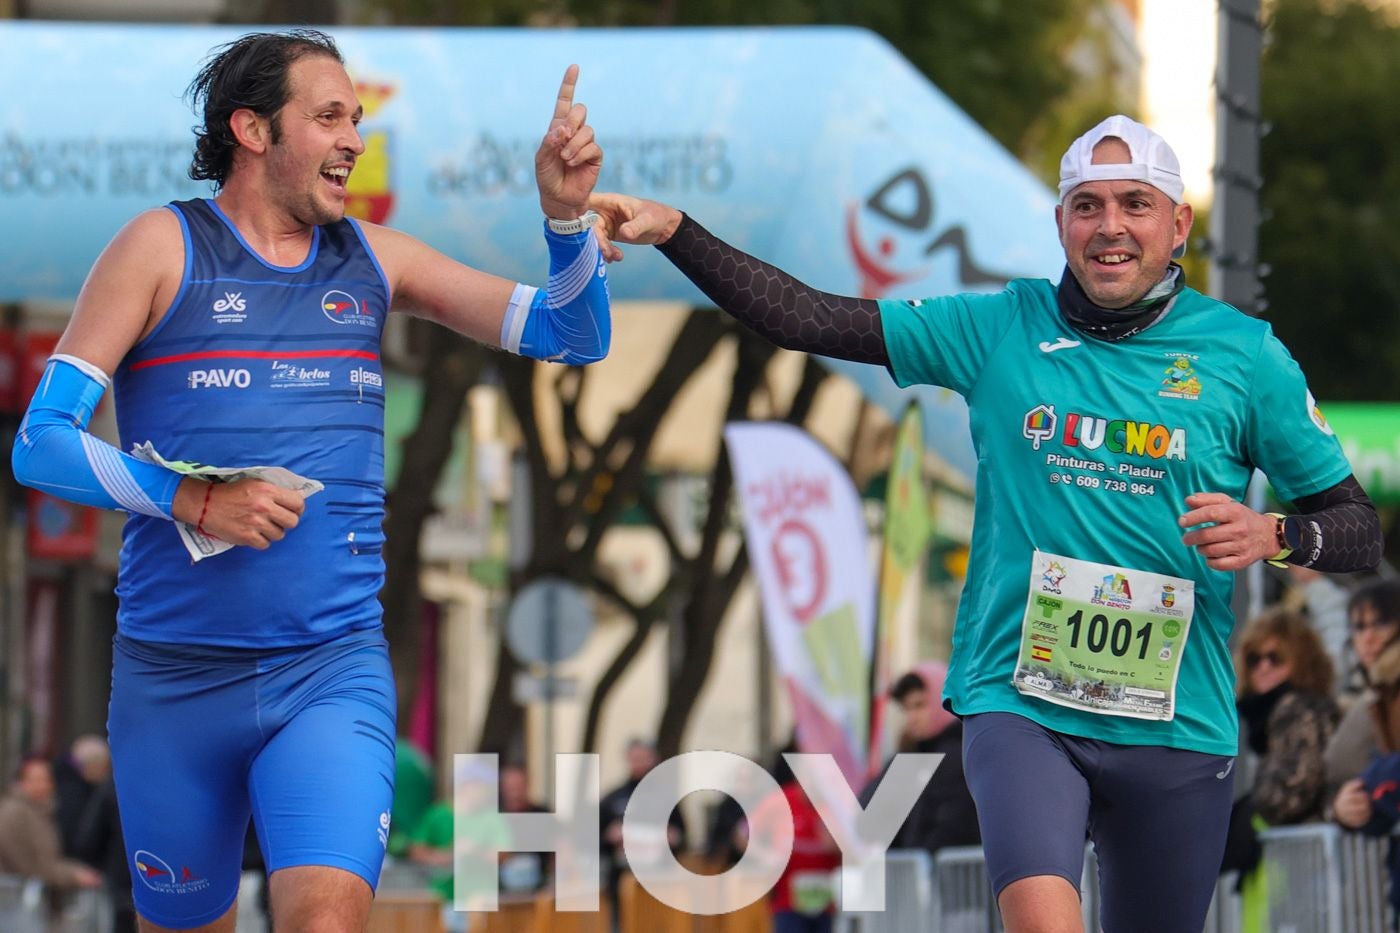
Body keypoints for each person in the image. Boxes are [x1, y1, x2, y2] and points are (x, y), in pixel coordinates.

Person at [587, 113, 1384, 932]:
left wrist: (1277, 536)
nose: (1110, 226)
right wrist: (676, 232)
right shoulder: (1000, 328)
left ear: (1178, 224)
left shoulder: (1244, 356)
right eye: (1088, 206)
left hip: (1177, 720)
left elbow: (1358, 526)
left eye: (1135, 204)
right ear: (1062, 224)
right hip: (1024, 700)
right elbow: (810, 319)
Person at [10, 29, 610, 932]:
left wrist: (565, 222)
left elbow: (574, 336)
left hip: (328, 670)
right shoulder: (160, 248)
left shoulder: (375, 260)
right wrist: (191, 498)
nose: (354, 140)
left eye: (358, 120)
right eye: (329, 117)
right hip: (171, 682)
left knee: (326, 921)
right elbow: (41, 444)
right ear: (252, 130)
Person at [859, 663, 980, 856]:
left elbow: (954, 826)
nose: (911, 717)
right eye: (906, 709)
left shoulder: (962, 755)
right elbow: (868, 819)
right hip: (913, 878)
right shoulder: (912, 755)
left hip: (950, 880)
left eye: (919, 705)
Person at [0, 758, 104, 904]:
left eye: (47, 779)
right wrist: (73, 875)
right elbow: (29, 866)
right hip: (13, 902)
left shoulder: (39, 812)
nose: (44, 785)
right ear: (21, 782)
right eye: (36, 780)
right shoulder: (14, 813)